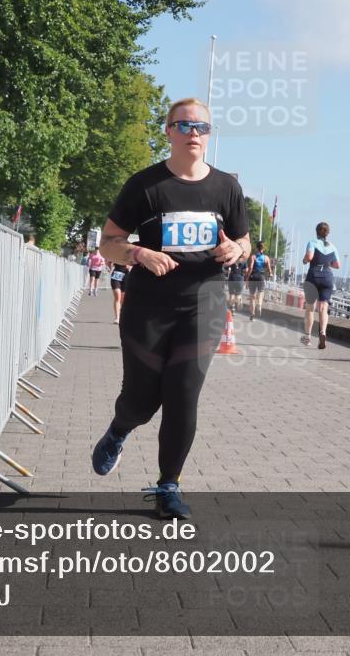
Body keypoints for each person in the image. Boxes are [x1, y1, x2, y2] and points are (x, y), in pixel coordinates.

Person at [92, 97, 250, 520]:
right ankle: (119, 429)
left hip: (204, 306)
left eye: (202, 127)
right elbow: (107, 242)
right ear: (168, 131)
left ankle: (168, 486)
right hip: (148, 307)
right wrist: (139, 254)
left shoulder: (226, 187)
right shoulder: (144, 186)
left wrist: (236, 248)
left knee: (183, 395)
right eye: (184, 126)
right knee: (142, 400)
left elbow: (244, 241)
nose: (194, 133)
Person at [302, 222, 340, 349]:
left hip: (313, 276)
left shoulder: (312, 242)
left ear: (316, 232)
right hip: (327, 278)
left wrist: (304, 260)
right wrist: (327, 263)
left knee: (310, 308)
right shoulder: (333, 247)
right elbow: (337, 265)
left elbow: (309, 256)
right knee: (323, 308)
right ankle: (323, 332)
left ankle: (307, 337)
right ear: (327, 233)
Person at [245, 241, 273, 320]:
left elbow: (250, 268)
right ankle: (259, 304)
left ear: (256, 248)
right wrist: (270, 273)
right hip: (261, 276)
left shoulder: (253, 257)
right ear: (263, 249)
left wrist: (247, 277)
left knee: (252, 296)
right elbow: (270, 270)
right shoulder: (266, 258)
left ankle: (252, 314)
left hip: (253, 276)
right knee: (261, 292)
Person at [108, 259, 130, 324]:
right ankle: (117, 317)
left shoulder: (129, 253)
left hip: (126, 275)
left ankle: (122, 316)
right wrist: (110, 268)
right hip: (116, 275)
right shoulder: (116, 252)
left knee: (123, 299)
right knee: (117, 296)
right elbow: (108, 260)